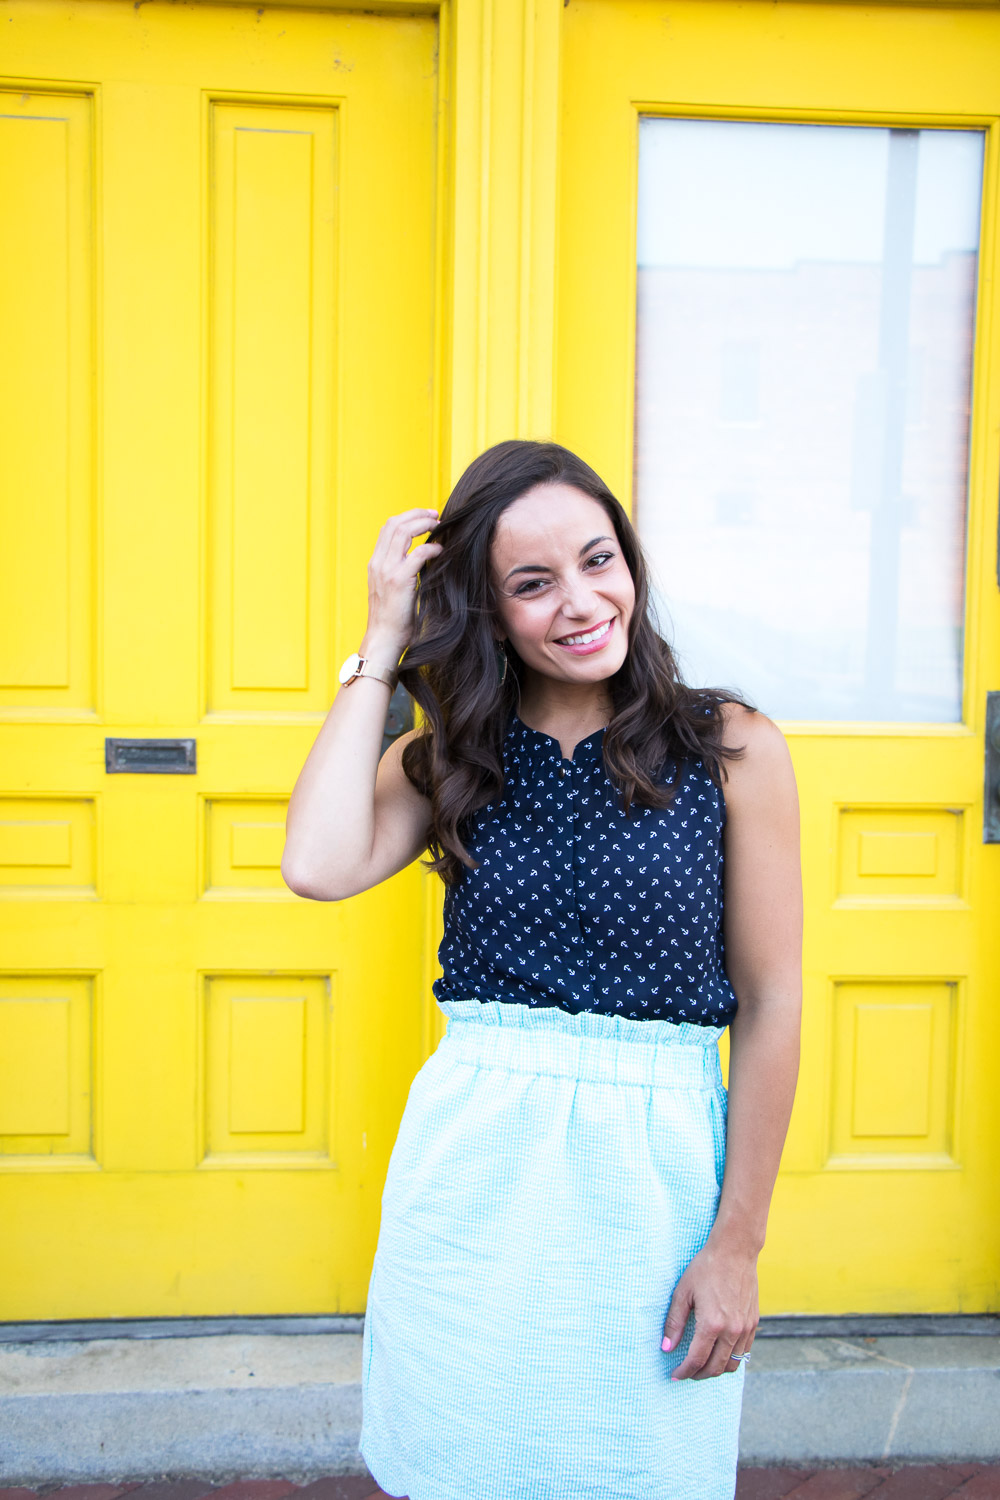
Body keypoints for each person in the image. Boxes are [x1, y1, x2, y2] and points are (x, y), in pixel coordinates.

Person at [281, 439, 802, 1500]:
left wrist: (737, 1241)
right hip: (472, 1178)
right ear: (485, 608)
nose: (580, 601)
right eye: (532, 583)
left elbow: (772, 1001)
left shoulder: (728, 746)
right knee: (462, 1465)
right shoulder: (448, 759)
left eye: (597, 559)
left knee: (640, 1470)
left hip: (651, 1186)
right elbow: (317, 864)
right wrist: (381, 643)